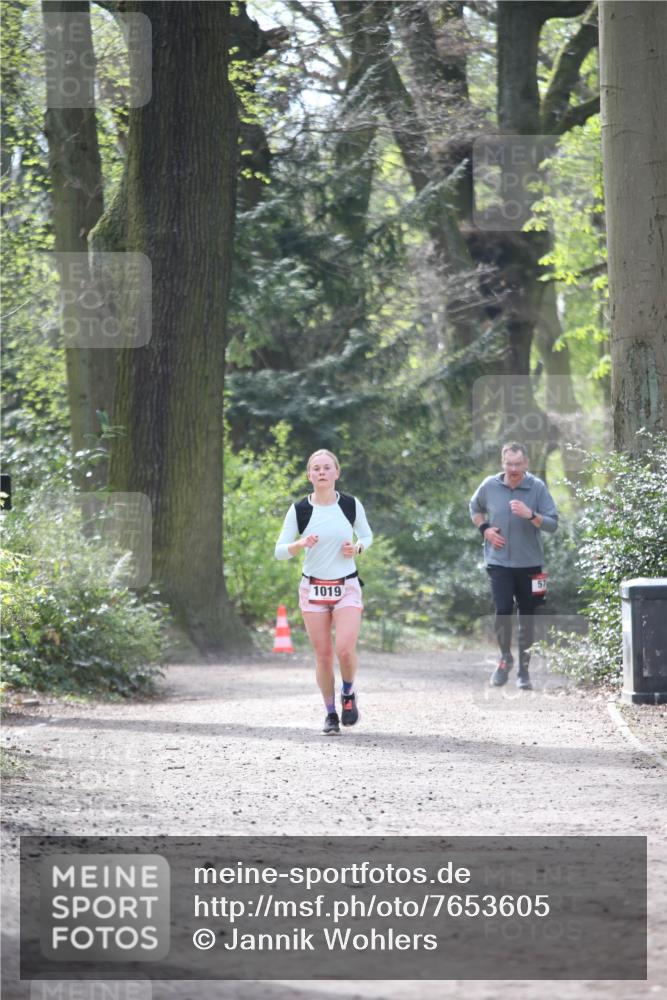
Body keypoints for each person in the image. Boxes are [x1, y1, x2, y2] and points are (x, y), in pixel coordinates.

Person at [275, 449, 373, 734]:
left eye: (327, 467)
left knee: (344, 649)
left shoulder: (350, 504)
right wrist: (300, 544)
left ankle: (348, 693)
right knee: (324, 656)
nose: (321, 472)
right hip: (313, 588)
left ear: (336, 473)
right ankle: (330, 714)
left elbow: (366, 535)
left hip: (346, 586)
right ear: (309, 475)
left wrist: (357, 548)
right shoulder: (299, 510)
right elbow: (280, 551)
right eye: (316, 468)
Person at [469, 442, 558, 690]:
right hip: (498, 562)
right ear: (503, 463)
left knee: (528, 616)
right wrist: (485, 529)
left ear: (526, 463)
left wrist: (531, 515)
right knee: (502, 610)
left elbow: (552, 524)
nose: (514, 469)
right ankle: (505, 658)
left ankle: (524, 672)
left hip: (532, 565)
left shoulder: (537, 487)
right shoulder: (489, 485)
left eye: (518, 464)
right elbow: (474, 508)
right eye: (509, 464)